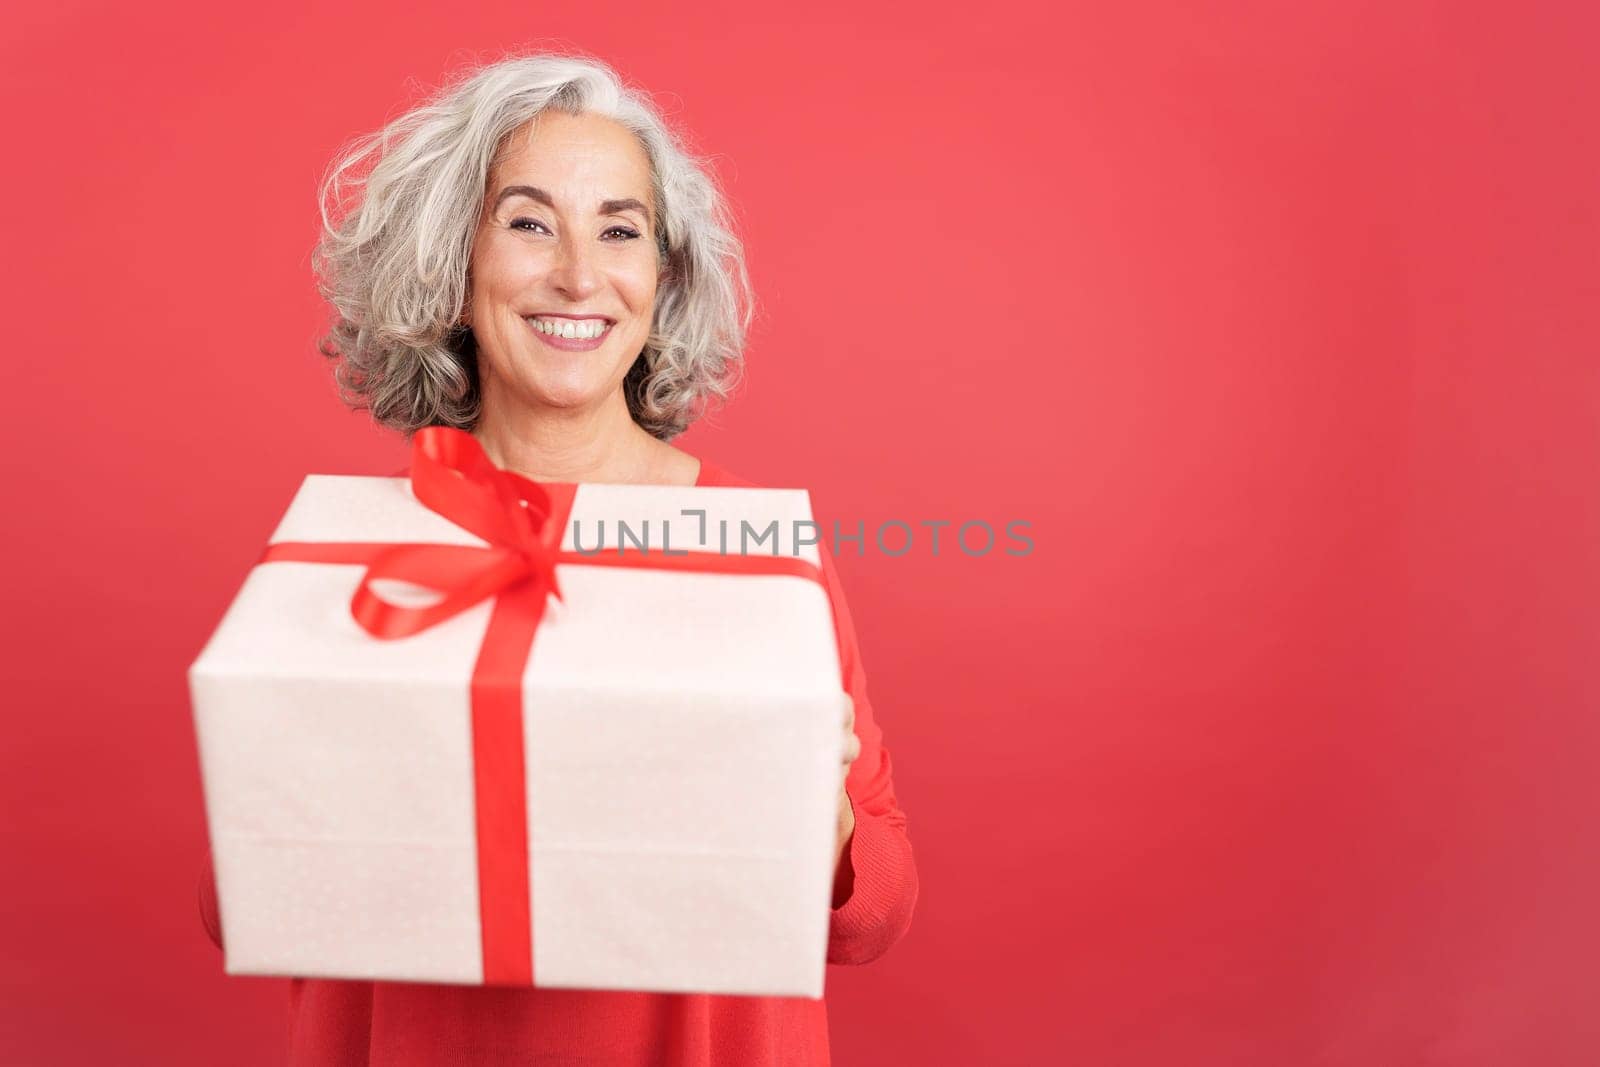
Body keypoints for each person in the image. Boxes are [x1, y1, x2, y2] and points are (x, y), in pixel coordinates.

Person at [197, 51, 918, 1065]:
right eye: (529, 222)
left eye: (619, 230)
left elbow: (872, 915)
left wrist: (826, 800)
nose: (579, 274)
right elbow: (243, 908)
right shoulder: (353, 552)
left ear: (661, 277)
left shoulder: (750, 545)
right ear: (451, 264)